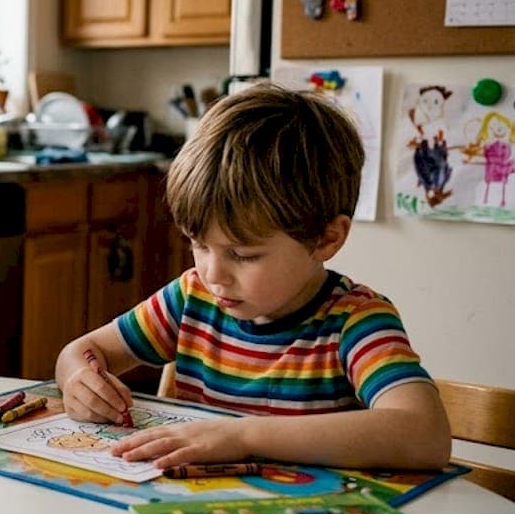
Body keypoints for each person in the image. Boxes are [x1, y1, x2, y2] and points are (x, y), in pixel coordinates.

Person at [55, 84, 451, 470]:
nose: (213, 273)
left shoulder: (355, 322)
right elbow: (82, 351)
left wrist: (240, 437)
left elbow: (425, 435)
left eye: (242, 255)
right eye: (200, 244)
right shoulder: (193, 298)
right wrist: (79, 379)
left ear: (327, 239)